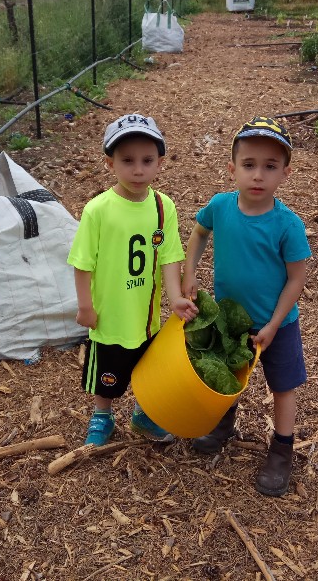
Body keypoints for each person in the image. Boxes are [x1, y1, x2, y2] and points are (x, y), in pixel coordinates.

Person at [182, 116, 311, 497]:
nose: (258, 175)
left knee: (283, 386)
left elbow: (296, 279)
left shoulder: (288, 225)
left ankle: (282, 450)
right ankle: (223, 424)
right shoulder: (220, 207)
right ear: (232, 169)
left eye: (270, 167)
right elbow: (198, 233)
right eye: (249, 165)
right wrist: (190, 272)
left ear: (285, 173)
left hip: (278, 325)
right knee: (229, 374)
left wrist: (272, 324)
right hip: (230, 319)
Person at [68, 113, 198, 447]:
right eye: (127, 161)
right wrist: (85, 306)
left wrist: (175, 298)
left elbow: (169, 256)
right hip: (110, 314)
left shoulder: (162, 206)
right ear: (110, 164)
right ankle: (102, 416)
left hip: (146, 315)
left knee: (147, 369)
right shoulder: (98, 210)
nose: (138, 170)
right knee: (107, 375)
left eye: (147, 160)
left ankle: (144, 415)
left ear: (160, 163)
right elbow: (82, 264)